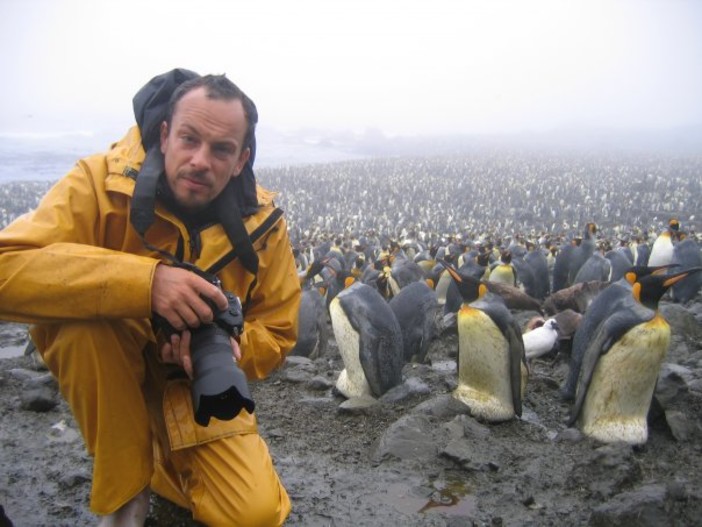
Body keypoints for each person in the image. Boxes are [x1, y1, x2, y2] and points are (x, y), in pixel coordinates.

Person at [0, 69, 301, 526]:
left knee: (255, 515)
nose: (201, 160)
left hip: (193, 384)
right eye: (189, 139)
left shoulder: (264, 226)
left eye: (221, 150)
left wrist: (229, 345)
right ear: (164, 134)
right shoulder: (98, 184)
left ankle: (162, 459)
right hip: (109, 369)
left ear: (241, 160)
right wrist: (146, 285)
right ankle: (126, 497)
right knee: (82, 318)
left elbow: (279, 333)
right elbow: (7, 267)